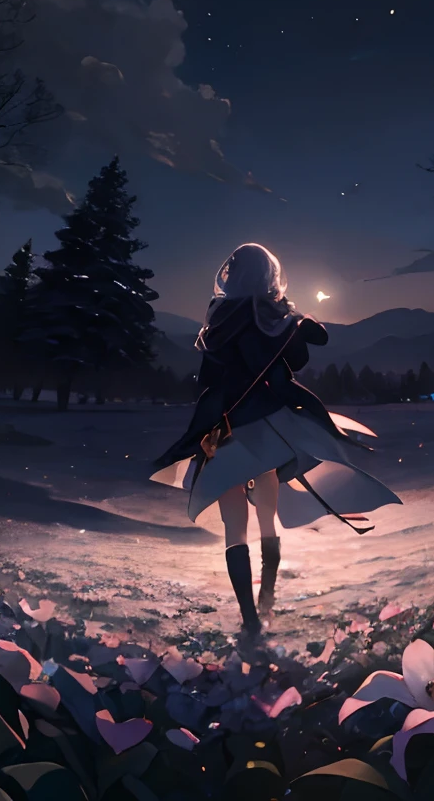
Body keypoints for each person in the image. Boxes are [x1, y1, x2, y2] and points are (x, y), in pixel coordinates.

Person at [151, 242, 401, 637]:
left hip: (226, 431)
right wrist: (300, 330)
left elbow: (208, 384)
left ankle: (252, 617)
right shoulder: (273, 320)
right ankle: (265, 601)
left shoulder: (218, 322)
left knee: (237, 528)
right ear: (269, 276)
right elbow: (290, 376)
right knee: (266, 521)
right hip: (261, 431)